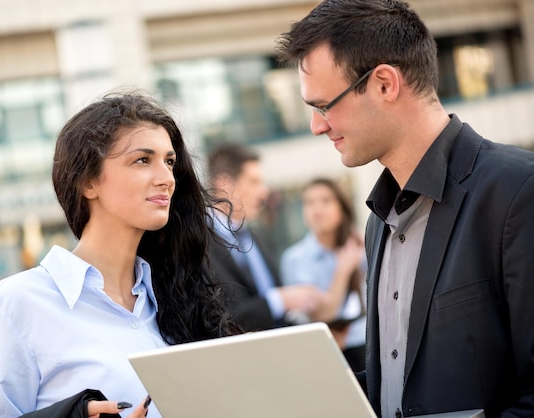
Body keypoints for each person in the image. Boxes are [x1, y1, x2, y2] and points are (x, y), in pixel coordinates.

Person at [276, 1, 534, 417]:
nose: (317, 125)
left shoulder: (518, 191)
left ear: (383, 84)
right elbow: (398, 386)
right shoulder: (379, 222)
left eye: (323, 105)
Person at [0, 92, 240, 418]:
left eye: (169, 162)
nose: (167, 178)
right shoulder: (16, 305)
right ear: (88, 181)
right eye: (143, 160)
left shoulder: (179, 299)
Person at [206, 142, 344, 332]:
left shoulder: (257, 237)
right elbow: (217, 320)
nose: (263, 192)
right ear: (224, 184)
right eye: (254, 182)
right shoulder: (196, 243)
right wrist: (280, 301)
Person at [280, 177, 366, 372]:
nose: (317, 209)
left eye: (326, 201)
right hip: (326, 352)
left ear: (342, 207)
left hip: (367, 346)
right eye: (309, 203)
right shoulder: (295, 258)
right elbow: (322, 315)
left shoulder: (364, 245)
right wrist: (343, 270)